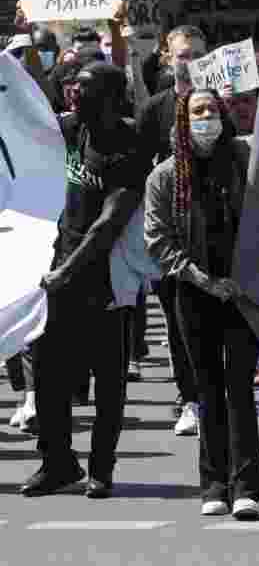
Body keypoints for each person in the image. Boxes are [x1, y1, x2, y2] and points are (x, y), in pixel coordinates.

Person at [22, 62, 152, 500]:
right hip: (55, 272)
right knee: (48, 373)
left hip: (104, 277)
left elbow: (108, 224)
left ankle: (101, 469)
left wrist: (67, 271)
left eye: (85, 88)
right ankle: (57, 462)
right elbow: (23, 119)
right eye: (73, 86)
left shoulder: (130, 144)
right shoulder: (68, 129)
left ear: (112, 98)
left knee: (108, 380)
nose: (74, 93)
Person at [144, 89, 259, 519]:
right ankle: (214, 485)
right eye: (198, 111)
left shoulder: (245, 162)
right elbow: (158, 240)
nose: (206, 117)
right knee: (207, 389)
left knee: (239, 389)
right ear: (183, 119)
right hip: (195, 294)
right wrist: (203, 280)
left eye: (213, 109)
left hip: (243, 293)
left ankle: (247, 487)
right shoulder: (164, 176)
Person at [135, 25, 209, 437]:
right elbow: (139, 172)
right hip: (172, 236)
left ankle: (221, 395)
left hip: (217, 230)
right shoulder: (154, 109)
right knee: (179, 323)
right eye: (183, 55)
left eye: (198, 54)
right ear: (167, 58)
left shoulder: (220, 104)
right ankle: (190, 398)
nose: (191, 62)